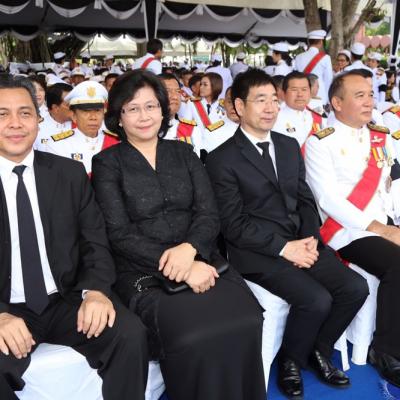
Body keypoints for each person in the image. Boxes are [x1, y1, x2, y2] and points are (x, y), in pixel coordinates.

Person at [91, 69, 266, 400]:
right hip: (143, 270)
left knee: (247, 319)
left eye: (151, 106)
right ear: (118, 116)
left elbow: (208, 213)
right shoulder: (107, 163)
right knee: (192, 334)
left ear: (163, 110)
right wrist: (180, 266)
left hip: (201, 258)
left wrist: (190, 250)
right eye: (133, 108)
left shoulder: (184, 153)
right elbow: (118, 233)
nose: (144, 116)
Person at [206, 68, 369, 399]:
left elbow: (305, 199)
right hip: (258, 252)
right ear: (239, 106)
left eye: (273, 100)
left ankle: (318, 350)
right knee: (316, 300)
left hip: (301, 242)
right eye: (260, 100)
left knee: (355, 288)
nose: (270, 108)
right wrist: (284, 248)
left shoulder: (288, 144)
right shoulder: (222, 159)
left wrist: (309, 239)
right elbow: (233, 224)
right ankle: (290, 361)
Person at [0, 74, 148, 400]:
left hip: (65, 299)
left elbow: (94, 241)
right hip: (7, 307)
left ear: (38, 120)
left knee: (130, 335)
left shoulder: (68, 174)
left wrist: (96, 290)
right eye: (2, 114)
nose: (15, 123)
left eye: (25, 113)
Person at [305, 69, 400, 388]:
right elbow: (328, 200)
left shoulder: (381, 136)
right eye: (360, 96)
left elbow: (391, 184)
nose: (369, 101)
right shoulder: (320, 142)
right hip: (346, 230)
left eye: (371, 94)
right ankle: (386, 351)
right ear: (337, 103)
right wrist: (385, 230)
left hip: (383, 222)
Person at [45, 81, 118, 175]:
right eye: (86, 111)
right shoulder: (57, 145)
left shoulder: (116, 141)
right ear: (74, 116)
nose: (93, 117)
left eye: (97, 111)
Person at [273, 71, 326, 153]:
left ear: (310, 92)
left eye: (304, 89)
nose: (300, 94)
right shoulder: (273, 118)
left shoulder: (319, 116)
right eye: (294, 90)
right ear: (284, 93)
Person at [159, 73, 203, 156]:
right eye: (167, 91)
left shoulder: (192, 130)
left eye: (178, 91)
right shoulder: (142, 129)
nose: (175, 97)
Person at [186, 72, 226, 154]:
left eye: (205, 85)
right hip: (198, 148)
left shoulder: (224, 105)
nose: (201, 87)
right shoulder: (192, 103)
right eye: (201, 84)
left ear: (215, 86)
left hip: (219, 148)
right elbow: (186, 127)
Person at [294, 30, 333, 105]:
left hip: (302, 93)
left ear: (309, 42)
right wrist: (329, 99)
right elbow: (328, 80)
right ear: (321, 42)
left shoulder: (298, 57)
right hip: (319, 95)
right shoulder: (326, 58)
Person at [34, 82, 73, 151]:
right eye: (69, 105)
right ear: (55, 108)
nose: (75, 107)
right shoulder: (37, 130)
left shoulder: (82, 125)